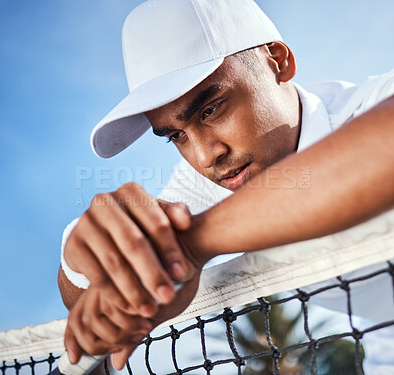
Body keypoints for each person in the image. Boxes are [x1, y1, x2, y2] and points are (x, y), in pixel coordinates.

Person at [58, 0, 394, 371]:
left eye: (211, 109)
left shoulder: (372, 104)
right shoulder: (215, 180)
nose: (205, 157)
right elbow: (97, 296)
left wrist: (193, 242)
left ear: (277, 61)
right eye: (175, 136)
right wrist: (78, 255)